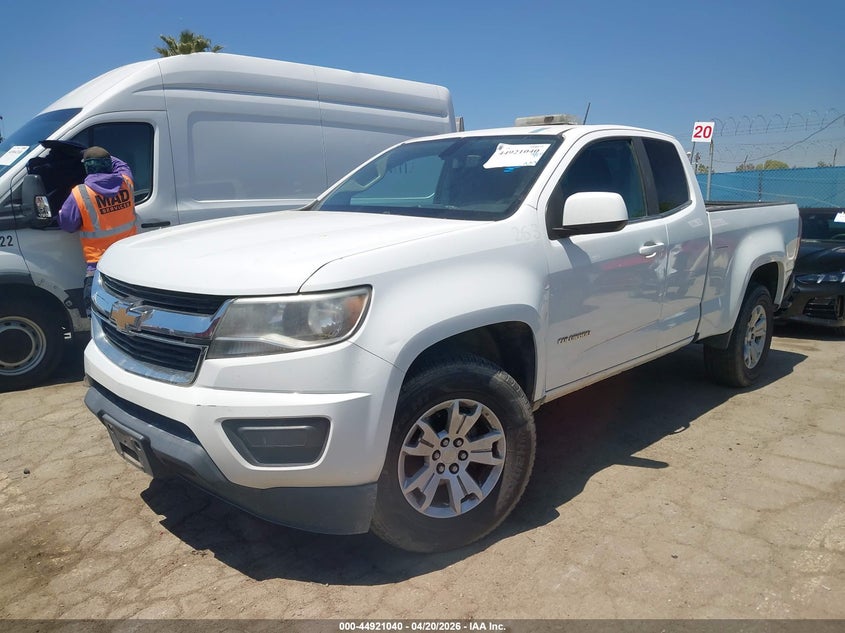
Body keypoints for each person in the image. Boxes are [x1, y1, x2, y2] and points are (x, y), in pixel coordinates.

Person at [58, 146, 137, 315]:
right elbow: (122, 165)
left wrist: (84, 154)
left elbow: (67, 225)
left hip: (99, 266)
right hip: (129, 262)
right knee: (131, 317)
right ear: (108, 164)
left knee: (100, 317)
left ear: (87, 167)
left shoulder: (79, 194)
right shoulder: (126, 182)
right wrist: (98, 154)